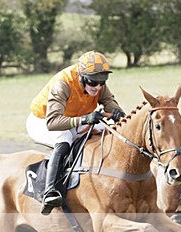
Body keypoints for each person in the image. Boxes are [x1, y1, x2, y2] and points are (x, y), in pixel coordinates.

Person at [26, 50, 126, 214]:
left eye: (102, 82)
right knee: (64, 138)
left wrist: (117, 114)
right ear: (81, 76)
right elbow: (53, 122)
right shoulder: (63, 84)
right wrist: (85, 119)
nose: (98, 87)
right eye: (93, 82)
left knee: (104, 129)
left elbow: (109, 102)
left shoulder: (97, 82)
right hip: (42, 121)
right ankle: (50, 191)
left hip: (72, 119)